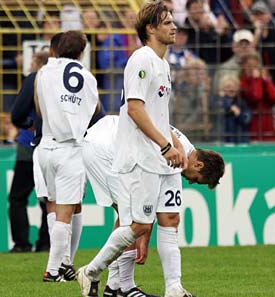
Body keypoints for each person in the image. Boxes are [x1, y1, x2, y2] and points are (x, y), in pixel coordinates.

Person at [77, 2, 196, 297]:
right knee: (140, 225)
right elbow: (134, 109)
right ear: (150, 29)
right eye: (167, 22)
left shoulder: (162, 63)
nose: (174, 27)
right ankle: (92, 271)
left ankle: (174, 288)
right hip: (139, 157)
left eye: (173, 21)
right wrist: (166, 144)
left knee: (170, 217)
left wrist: (175, 141)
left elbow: (156, 113)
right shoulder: (141, 59)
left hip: (159, 156)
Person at [83, 115, 224, 297]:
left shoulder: (178, 157)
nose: (191, 182)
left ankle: (165, 288)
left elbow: (168, 216)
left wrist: (145, 235)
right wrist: (143, 230)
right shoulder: (174, 151)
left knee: (141, 218)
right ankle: (116, 285)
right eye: (196, 179)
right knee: (130, 217)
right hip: (104, 146)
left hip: (116, 143)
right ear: (198, 164)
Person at [34, 30, 100, 282]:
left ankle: (63, 265)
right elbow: (95, 110)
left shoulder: (43, 72)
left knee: (53, 206)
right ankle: (55, 269)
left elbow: (39, 109)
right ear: (82, 53)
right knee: (66, 210)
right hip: (71, 147)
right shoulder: (88, 78)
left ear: (57, 49)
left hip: (46, 146)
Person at [8, 51, 51, 253]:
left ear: (39, 63)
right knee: (49, 198)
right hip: (54, 145)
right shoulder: (60, 80)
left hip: (29, 146)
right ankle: (46, 243)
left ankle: (22, 244)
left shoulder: (34, 79)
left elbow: (17, 113)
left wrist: (28, 124)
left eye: (32, 62)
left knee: (18, 197)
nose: (28, 67)